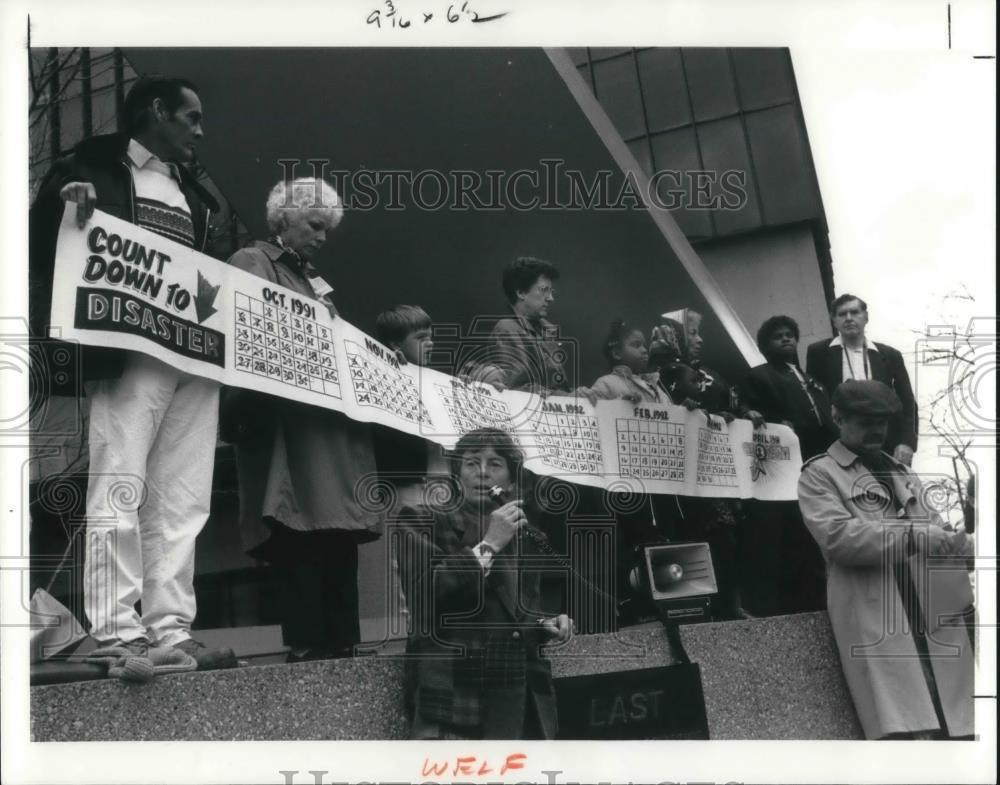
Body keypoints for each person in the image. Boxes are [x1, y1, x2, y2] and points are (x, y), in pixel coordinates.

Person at [30, 74, 234, 678]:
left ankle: (172, 625)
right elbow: (42, 245)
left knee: (184, 493)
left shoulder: (195, 189)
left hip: (193, 354)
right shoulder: (90, 166)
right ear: (155, 112)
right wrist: (62, 206)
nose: (199, 130)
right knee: (121, 478)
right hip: (127, 352)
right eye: (190, 117)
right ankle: (118, 627)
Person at [221, 177, 381, 662]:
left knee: (336, 533)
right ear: (283, 218)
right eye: (315, 225)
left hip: (328, 433)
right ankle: (311, 643)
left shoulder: (309, 278)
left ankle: (341, 640)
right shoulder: (252, 262)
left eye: (327, 229)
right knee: (300, 529)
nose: (322, 237)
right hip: (294, 433)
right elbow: (253, 333)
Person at [798, 380, 973, 740]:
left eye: (883, 420)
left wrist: (962, 546)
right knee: (906, 729)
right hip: (880, 613)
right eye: (864, 420)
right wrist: (913, 536)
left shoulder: (902, 472)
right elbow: (837, 539)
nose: (877, 428)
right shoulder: (818, 474)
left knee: (955, 724)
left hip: (929, 611)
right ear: (837, 417)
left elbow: (935, 530)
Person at [394, 428, 573, 739]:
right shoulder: (421, 520)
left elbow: (519, 615)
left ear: (512, 479)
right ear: (456, 474)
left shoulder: (526, 536)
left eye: (495, 464)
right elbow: (425, 597)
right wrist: (490, 543)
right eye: (471, 463)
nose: (482, 473)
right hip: (455, 698)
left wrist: (547, 624)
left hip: (517, 699)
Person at [739, 315, 838, 615]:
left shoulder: (814, 381)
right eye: (776, 336)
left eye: (789, 335)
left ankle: (822, 597)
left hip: (819, 459)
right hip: (784, 468)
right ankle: (794, 602)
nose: (785, 339)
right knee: (793, 533)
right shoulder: (758, 376)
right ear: (764, 346)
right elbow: (750, 414)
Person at [805, 294, 918, 465]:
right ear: (834, 320)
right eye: (842, 314)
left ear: (866, 317)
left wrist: (907, 442)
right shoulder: (819, 353)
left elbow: (907, 402)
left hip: (885, 444)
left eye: (854, 312)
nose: (849, 318)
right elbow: (815, 400)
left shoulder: (889, 355)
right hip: (839, 445)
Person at [372, 304, 448, 506]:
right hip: (404, 490)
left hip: (441, 489)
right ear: (396, 344)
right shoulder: (379, 381)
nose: (430, 344)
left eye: (431, 337)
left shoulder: (436, 383)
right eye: (421, 338)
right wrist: (394, 375)